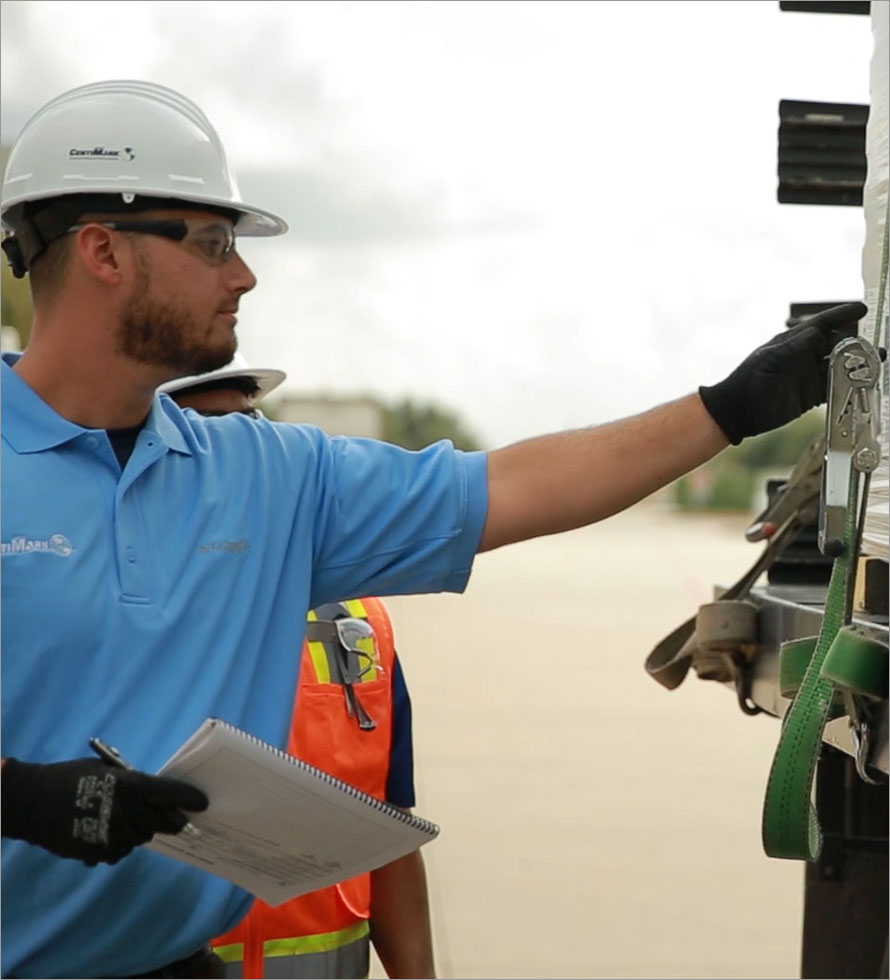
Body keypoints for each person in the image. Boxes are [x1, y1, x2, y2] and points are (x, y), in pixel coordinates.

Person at [0, 79, 866, 980]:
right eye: (214, 242)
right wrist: (18, 796)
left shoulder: (265, 477)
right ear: (103, 249)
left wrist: (732, 406)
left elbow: (519, 485)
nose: (244, 274)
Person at [161, 360, 436, 979]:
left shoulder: (358, 630)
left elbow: (390, 838)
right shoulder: (97, 617)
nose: (232, 454)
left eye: (247, 426)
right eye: (202, 429)